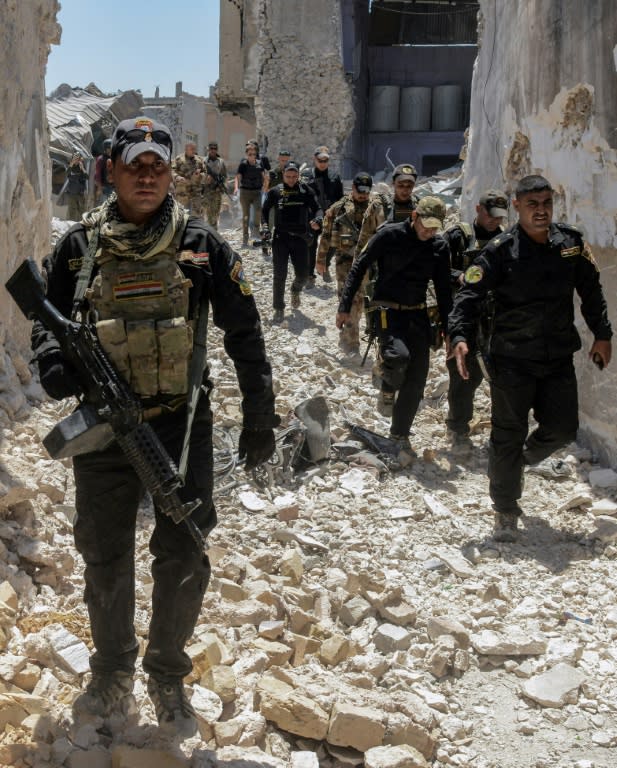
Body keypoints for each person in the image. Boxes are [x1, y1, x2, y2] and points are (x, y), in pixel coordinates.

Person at [31, 116, 279, 736]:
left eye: (158, 166)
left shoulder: (201, 245)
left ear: (171, 173)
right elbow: (46, 317)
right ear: (110, 170)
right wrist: (52, 360)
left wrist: (259, 417)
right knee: (104, 554)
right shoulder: (78, 248)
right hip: (103, 432)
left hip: (179, 423)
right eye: (134, 165)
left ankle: (167, 673)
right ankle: (112, 668)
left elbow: (245, 334)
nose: (147, 176)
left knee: (185, 553)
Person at [449, 175, 612, 542]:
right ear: (518, 207)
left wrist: (603, 334)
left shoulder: (570, 244)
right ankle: (505, 508)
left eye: (546, 204)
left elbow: (591, 290)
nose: (541, 211)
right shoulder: (499, 251)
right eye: (532, 205)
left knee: (562, 429)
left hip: (556, 357)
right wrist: (459, 335)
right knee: (507, 434)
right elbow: (469, 295)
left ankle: (518, 462)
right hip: (510, 359)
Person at [337, 196, 452, 455]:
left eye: (435, 226)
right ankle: (386, 383)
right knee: (398, 358)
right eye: (426, 224)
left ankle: (399, 436)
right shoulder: (388, 236)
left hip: (419, 315)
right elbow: (359, 267)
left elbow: (445, 291)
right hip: (388, 311)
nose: (430, 231)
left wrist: (449, 330)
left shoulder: (439, 246)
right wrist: (344, 307)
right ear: (414, 217)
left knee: (417, 379)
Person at [443, 189, 509, 444]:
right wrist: (457, 276)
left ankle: (503, 431)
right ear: (479, 210)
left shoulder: (506, 240)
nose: (496, 221)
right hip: (464, 317)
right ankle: (458, 428)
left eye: (500, 217)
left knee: (500, 375)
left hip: (495, 318)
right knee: (463, 375)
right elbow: (435, 266)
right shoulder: (458, 236)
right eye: (491, 215)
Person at [316, 172, 373, 354]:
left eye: (366, 190)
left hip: (369, 263)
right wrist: (321, 259)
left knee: (362, 302)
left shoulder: (376, 208)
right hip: (345, 262)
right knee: (347, 300)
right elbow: (325, 235)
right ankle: (350, 342)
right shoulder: (338, 208)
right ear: (353, 188)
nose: (363, 194)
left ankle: (353, 335)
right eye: (360, 190)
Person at [261, 161, 322, 324]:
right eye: (288, 176)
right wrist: (265, 228)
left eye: (294, 176)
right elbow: (265, 210)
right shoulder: (275, 192)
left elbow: (318, 208)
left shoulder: (305, 191)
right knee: (279, 275)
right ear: (283, 175)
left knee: (303, 275)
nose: (291, 180)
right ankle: (279, 308)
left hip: (301, 238)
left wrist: (318, 218)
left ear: (298, 176)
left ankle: (295, 289)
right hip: (281, 238)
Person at [356, 163, 418, 254]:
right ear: (393, 184)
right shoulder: (378, 206)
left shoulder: (420, 208)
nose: (405, 190)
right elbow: (363, 242)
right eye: (400, 185)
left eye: (409, 186)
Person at [306, 145, 344, 285]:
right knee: (311, 245)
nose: (323, 164)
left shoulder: (335, 176)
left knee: (332, 243)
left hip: (330, 216)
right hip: (312, 216)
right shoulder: (307, 176)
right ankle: (310, 275)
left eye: (325, 161)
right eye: (320, 160)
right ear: (314, 160)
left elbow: (341, 198)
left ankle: (325, 266)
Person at [234, 143, 267, 246]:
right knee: (246, 216)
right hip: (245, 192)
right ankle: (245, 237)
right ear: (246, 154)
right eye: (249, 154)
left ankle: (255, 233)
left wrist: (265, 187)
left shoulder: (259, 163)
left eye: (253, 154)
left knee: (258, 210)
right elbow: (238, 176)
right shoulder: (243, 164)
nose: (252, 156)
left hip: (257, 191)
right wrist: (236, 188)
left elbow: (264, 176)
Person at [171, 141, 206, 217]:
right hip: (182, 192)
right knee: (181, 214)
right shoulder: (179, 159)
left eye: (194, 149)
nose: (194, 151)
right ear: (186, 149)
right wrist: (178, 177)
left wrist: (200, 175)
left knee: (196, 215)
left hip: (195, 192)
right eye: (191, 149)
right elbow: (171, 171)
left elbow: (205, 173)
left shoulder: (199, 160)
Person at [202, 141, 228, 229]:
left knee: (215, 216)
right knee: (207, 215)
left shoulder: (221, 162)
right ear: (208, 149)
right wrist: (206, 178)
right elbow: (199, 174)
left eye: (215, 149)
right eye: (211, 148)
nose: (213, 150)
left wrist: (221, 186)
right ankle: (208, 233)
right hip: (206, 192)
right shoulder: (203, 161)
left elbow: (224, 176)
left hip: (216, 192)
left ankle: (213, 234)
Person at [64, 153, 89, 221]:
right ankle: (71, 223)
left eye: (78, 159)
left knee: (81, 210)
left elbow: (87, 177)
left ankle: (81, 224)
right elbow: (67, 174)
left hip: (80, 193)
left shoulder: (81, 167)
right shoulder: (70, 167)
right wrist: (71, 164)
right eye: (75, 159)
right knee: (72, 209)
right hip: (72, 192)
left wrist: (82, 168)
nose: (76, 160)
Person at [94, 139, 113, 203]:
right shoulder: (101, 159)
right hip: (106, 187)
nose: (111, 150)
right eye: (109, 148)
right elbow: (98, 174)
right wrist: (99, 188)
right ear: (105, 149)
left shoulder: (114, 158)